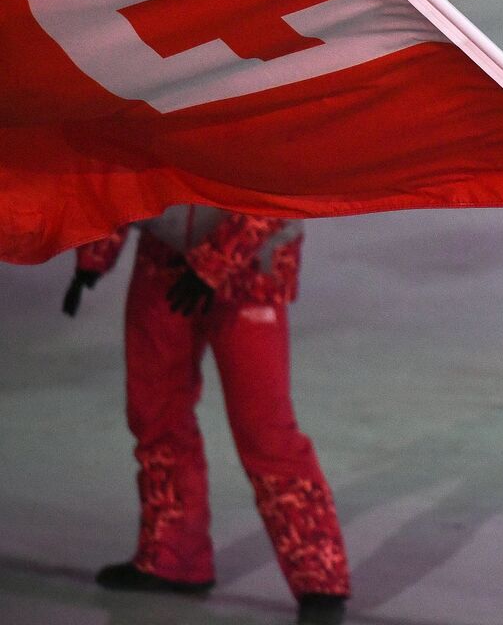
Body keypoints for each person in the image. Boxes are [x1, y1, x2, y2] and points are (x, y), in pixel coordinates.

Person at [63, 205, 351, 625]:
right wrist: (93, 253)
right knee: (155, 413)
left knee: (265, 431)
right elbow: (119, 164)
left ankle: (319, 581)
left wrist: (214, 263)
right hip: (164, 258)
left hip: (251, 265)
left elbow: (277, 182)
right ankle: (172, 557)